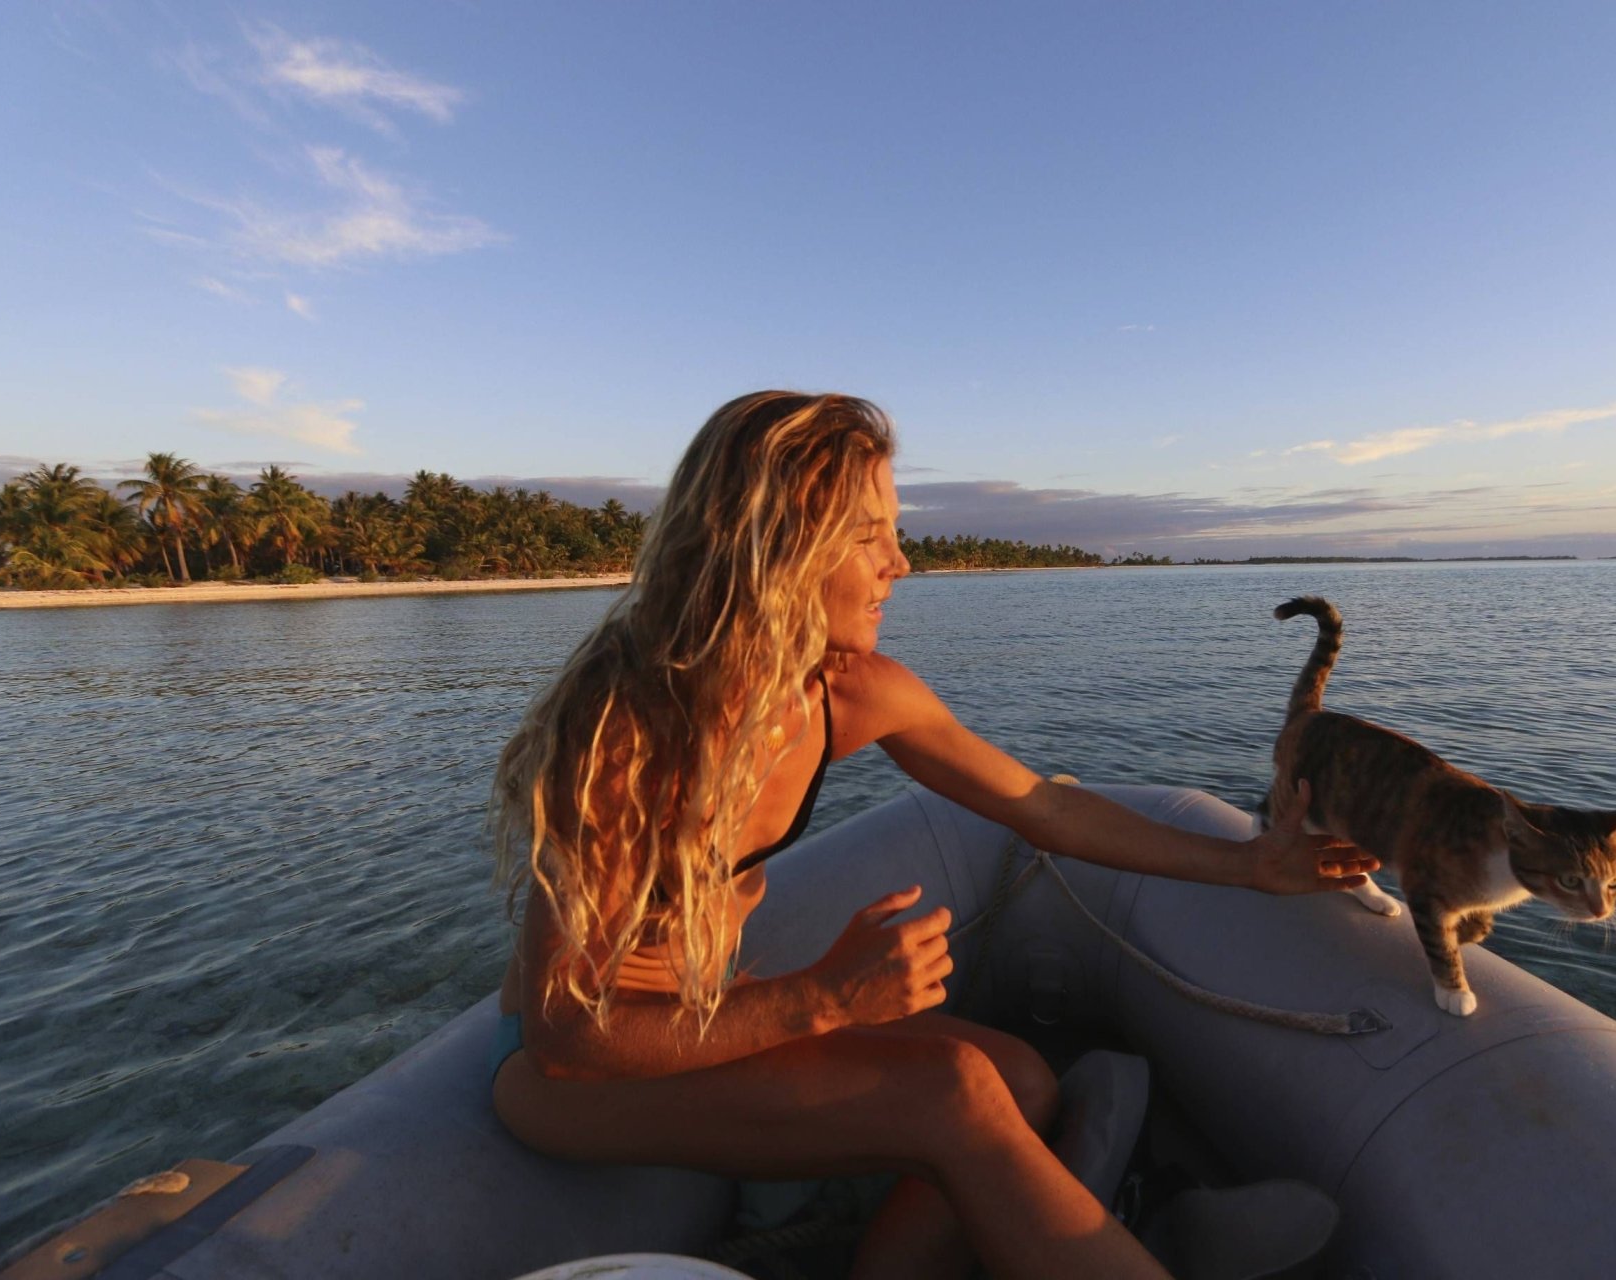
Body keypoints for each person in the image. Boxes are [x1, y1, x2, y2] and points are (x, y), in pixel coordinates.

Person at [488, 391, 1376, 1280]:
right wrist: (823, 999)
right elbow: (567, 1037)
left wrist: (1251, 863)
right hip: (584, 1071)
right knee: (951, 1092)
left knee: (1023, 1081)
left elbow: (1044, 806)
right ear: (776, 545)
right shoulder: (629, 737)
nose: (900, 564)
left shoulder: (848, 690)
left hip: (708, 1014)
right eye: (869, 533)